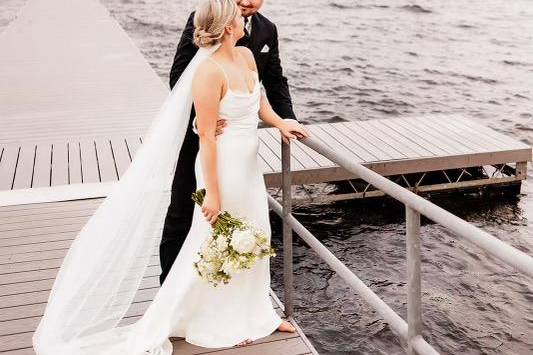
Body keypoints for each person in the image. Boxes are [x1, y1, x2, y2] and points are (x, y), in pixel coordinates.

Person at [32, 0, 309, 353]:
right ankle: (180, 310)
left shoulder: (252, 51)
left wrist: (284, 121)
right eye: (238, 14)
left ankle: (256, 314)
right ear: (227, 26)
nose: (244, 11)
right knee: (200, 233)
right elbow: (184, 86)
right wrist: (203, 123)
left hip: (247, 166)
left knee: (255, 233)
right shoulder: (208, 68)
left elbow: (264, 93)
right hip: (213, 154)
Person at [160, 0, 299, 285]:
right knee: (183, 211)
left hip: (242, 149)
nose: (246, 2)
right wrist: (201, 121)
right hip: (201, 136)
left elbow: (273, 80)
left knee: (244, 216)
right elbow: (180, 76)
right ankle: (169, 286)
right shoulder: (205, 18)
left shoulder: (267, 30)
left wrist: (287, 119)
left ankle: (231, 295)